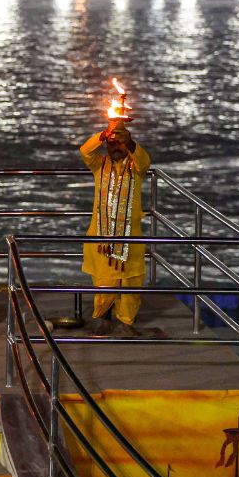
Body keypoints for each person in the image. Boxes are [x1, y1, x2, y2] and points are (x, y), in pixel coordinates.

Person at [80, 118, 151, 337]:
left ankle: (126, 322)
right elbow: (85, 151)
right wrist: (105, 133)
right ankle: (102, 318)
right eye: (112, 144)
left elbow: (145, 161)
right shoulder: (99, 165)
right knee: (104, 281)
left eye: (119, 144)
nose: (115, 148)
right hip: (102, 239)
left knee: (130, 281)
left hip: (130, 238)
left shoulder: (135, 167)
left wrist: (128, 142)